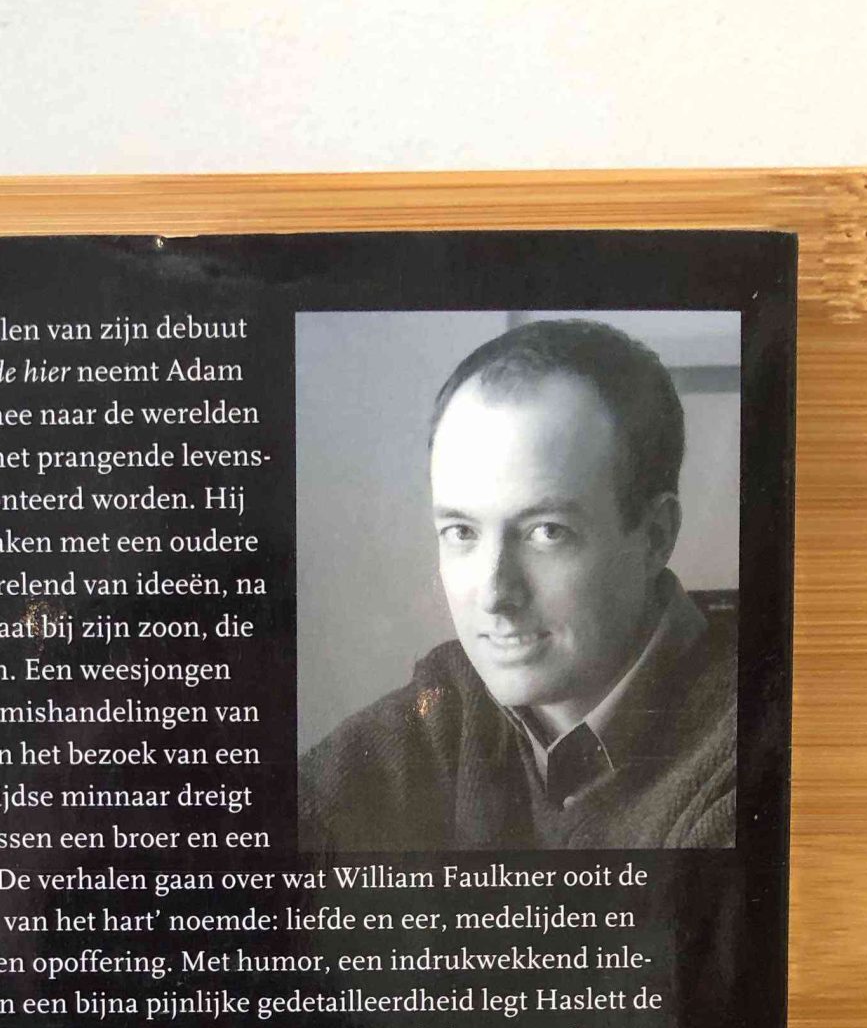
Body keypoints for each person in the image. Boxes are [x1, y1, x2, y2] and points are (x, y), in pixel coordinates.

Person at [299, 319, 736, 851]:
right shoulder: (453, 699)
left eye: (546, 532)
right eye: (461, 532)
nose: (494, 595)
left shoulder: (745, 760)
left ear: (655, 538)